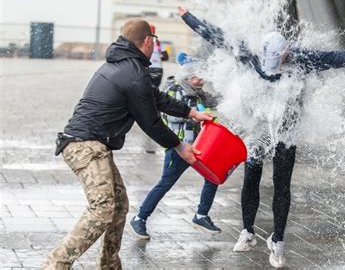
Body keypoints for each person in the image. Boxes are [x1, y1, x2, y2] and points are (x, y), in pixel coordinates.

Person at [177, 6, 345, 268]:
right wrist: (188, 18)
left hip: (286, 128)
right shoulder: (249, 54)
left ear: (286, 54)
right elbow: (218, 37)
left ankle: (277, 240)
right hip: (258, 124)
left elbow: (335, 57)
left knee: (282, 182)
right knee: (251, 174)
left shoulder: (300, 58)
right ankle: (247, 232)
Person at [43, 19, 212, 269]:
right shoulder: (132, 73)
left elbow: (155, 98)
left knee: (120, 206)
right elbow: (150, 122)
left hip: (93, 145)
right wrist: (180, 146)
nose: (155, 46)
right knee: (102, 210)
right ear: (147, 41)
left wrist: (191, 113)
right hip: (85, 146)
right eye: (154, 41)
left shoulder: (128, 66)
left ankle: (109, 264)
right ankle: (56, 264)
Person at [128, 55, 222, 239]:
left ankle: (201, 215)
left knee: (214, 177)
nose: (201, 80)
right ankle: (140, 218)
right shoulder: (174, 90)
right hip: (179, 147)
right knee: (166, 183)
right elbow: (168, 114)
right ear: (186, 76)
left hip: (200, 146)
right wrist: (194, 114)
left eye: (202, 76)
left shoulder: (199, 92)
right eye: (197, 76)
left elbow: (215, 103)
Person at [149, 23, 169, 90]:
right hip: (158, 68)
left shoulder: (143, 43)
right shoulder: (159, 43)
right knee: (155, 89)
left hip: (147, 68)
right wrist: (157, 58)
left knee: (146, 89)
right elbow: (166, 57)